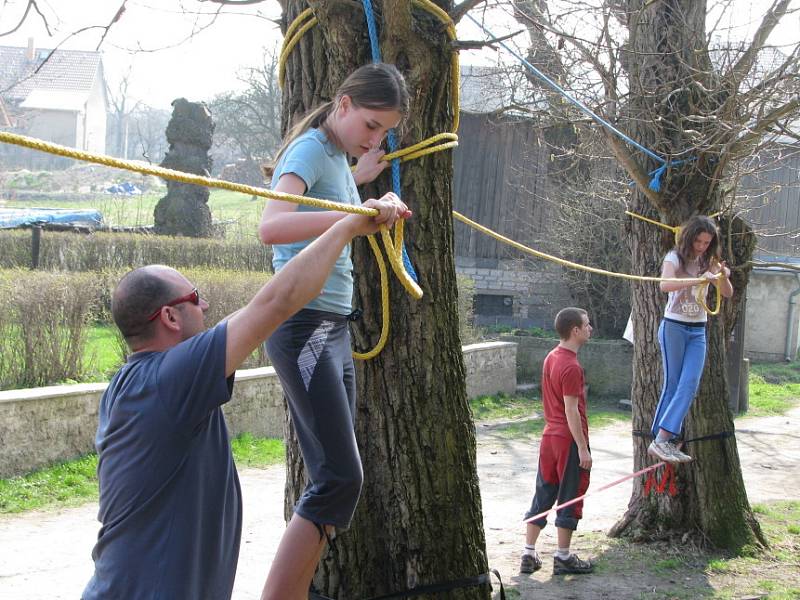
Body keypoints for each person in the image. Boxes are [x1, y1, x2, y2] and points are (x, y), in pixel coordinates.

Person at [81, 204, 402, 600]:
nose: (206, 306)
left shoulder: (137, 384)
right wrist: (348, 225)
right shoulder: (170, 378)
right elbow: (278, 301)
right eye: (195, 297)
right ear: (169, 316)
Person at [257, 62, 411, 600]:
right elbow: (271, 225)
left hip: (333, 327)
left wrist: (366, 180)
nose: (375, 137)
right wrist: (354, 215)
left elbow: (338, 193)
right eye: (371, 125)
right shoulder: (308, 151)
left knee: (339, 478)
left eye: (384, 132)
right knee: (339, 479)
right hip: (304, 327)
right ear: (343, 105)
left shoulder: (338, 160)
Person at [648, 215, 733, 464]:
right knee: (673, 384)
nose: (702, 246)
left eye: (707, 242)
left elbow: (727, 292)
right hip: (673, 326)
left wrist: (722, 275)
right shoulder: (674, 257)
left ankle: (663, 439)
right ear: (689, 237)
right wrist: (700, 279)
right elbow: (665, 285)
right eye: (698, 241)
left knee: (690, 384)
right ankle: (660, 439)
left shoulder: (710, 260)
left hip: (698, 330)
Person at [520, 307, 595, 576]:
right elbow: (571, 410)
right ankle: (563, 557)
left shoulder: (551, 357)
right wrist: (583, 448)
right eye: (586, 325)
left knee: (544, 492)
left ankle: (528, 553)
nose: (590, 329)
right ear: (575, 330)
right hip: (567, 439)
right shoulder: (572, 366)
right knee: (570, 494)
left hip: (549, 436)